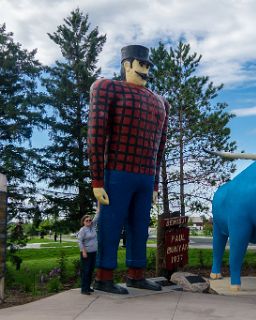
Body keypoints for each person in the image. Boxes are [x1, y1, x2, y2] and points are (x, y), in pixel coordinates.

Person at [88, 44, 169, 294]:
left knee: (140, 227)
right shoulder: (107, 88)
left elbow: (160, 148)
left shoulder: (160, 102)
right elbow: (96, 133)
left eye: (147, 65)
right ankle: (104, 276)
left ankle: (136, 274)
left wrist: (155, 184)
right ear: (127, 65)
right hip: (117, 171)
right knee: (111, 225)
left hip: (144, 176)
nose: (145, 70)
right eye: (141, 64)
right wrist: (97, 180)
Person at [77, 205, 99, 295]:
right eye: (87, 220)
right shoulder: (83, 230)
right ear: (83, 222)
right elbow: (80, 241)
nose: (89, 221)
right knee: (85, 271)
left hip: (93, 253)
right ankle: (84, 289)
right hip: (86, 254)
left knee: (90, 270)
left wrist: (98, 210)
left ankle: (88, 287)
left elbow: (97, 217)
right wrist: (84, 251)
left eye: (90, 220)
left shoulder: (92, 227)